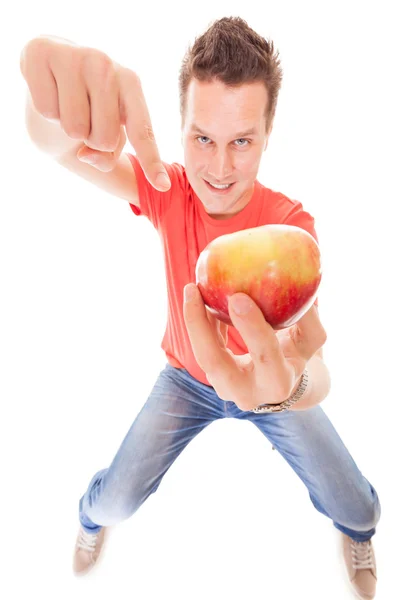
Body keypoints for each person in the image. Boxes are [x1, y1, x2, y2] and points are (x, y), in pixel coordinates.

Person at [20, 17, 380, 599]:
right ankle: (90, 521)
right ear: (181, 129)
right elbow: (66, 153)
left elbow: (316, 366)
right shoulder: (170, 188)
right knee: (116, 499)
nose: (217, 168)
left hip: (270, 391)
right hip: (185, 381)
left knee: (360, 507)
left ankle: (355, 533)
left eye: (241, 141)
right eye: (202, 138)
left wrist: (284, 391)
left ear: (268, 133)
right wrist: (53, 110)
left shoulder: (291, 229)